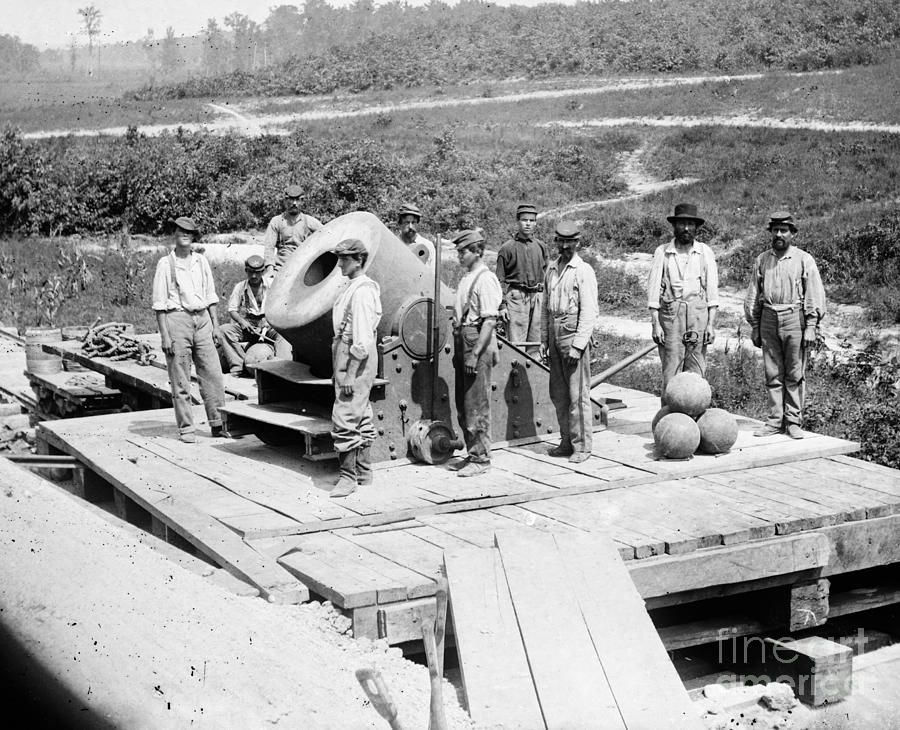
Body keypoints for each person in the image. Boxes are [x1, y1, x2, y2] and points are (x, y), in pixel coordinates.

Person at [744, 211, 826, 439]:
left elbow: (814, 294)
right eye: (776, 230)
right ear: (770, 232)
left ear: (792, 233)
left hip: (794, 318)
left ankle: (793, 421)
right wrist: (754, 324)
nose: (779, 234)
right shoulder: (762, 260)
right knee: (772, 373)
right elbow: (753, 294)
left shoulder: (804, 259)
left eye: (784, 230)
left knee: (794, 372)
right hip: (769, 318)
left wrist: (811, 326)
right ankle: (774, 421)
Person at [151, 216, 226, 444]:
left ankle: (218, 424)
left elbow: (211, 295)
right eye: (181, 230)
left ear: (194, 236)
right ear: (175, 233)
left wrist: (215, 325)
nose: (185, 234)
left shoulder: (201, 261)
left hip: (202, 319)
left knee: (212, 374)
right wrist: (165, 335)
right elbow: (160, 304)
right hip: (177, 320)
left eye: (189, 232)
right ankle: (186, 428)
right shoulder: (166, 263)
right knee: (180, 377)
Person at [646, 203, 719, 400]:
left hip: (698, 315)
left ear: (696, 228)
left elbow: (712, 293)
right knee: (671, 369)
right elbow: (653, 292)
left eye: (690, 224)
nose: (686, 229)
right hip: (671, 316)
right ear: (674, 226)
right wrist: (655, 325)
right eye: (681, 224)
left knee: (696, 369)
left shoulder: (705, 252)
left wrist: (711, 325)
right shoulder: (663, 252)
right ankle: (670, 420)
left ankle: (694, 420)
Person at [540, 221, 599, 463]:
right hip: (554, 337)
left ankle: (582, 446)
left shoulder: (583, 270)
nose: (565, 246)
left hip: (572, 335)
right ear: (555, 242)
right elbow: (545, 308)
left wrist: (578, 345)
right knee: (559, 394)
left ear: (577, 242)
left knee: (578, 394)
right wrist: (544, 340)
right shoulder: (552, 269)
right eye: (561, 242)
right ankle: (566, 441)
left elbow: (590, 311)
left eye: (570, 242)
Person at [329, 238, 383, 498]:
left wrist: (349, 373)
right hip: (347, 352)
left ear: (359, 260)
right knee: (360, 413)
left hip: (355, 356)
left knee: (345, 415)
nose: (339, 264)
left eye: (344, 259)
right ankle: (363, 471)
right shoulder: (354, 286)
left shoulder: (362, 291)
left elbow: (362, 340)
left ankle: (348, 478)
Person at [451, 229, 503, 478]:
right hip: (463, 338)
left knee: (476, 403)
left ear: (478, 252)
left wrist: (474, 354)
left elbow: (490, 322)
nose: (459, 256)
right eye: (459, 251)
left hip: (475, 341)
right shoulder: (468, 277)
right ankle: (472, 452)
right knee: (463, 402)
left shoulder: (485, 279)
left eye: (464, 251)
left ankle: (481, 459)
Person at [218, 254, 292, 375]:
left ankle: (282, 369)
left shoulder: (272, 284)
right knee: (223, 330)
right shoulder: (240, 287)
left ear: (263, 271)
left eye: (257, 272)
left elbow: (283, 305)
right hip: (249, 326)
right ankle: (239, 366)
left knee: (284, 335)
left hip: (269, 324)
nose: (254, 276)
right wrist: (242, 322)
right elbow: (232, 310)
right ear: (246, 270)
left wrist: (270, 320)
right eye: (251, 272)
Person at [496, 203, 548, 356]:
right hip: (516, 299)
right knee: (516, 344)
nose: (528, 223)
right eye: (524, 220)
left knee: (536, 342)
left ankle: (534, 376)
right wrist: (502, 305)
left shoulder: (541, 246)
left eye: (532, 220)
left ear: (536, 223)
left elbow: (548, 276)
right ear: (517, 221)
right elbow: (500, 279)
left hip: (537, 298)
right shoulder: (507, 248)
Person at [263, 184, 324, 274]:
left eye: (297, 200)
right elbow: (269, 248)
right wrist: (270, 270)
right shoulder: (276, 221)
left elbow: (328, 234)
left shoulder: (309, 221)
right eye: (291, 199)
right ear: (285, 200)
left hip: (303, 269)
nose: (294, 203)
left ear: (302, 201)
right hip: (280, 267)